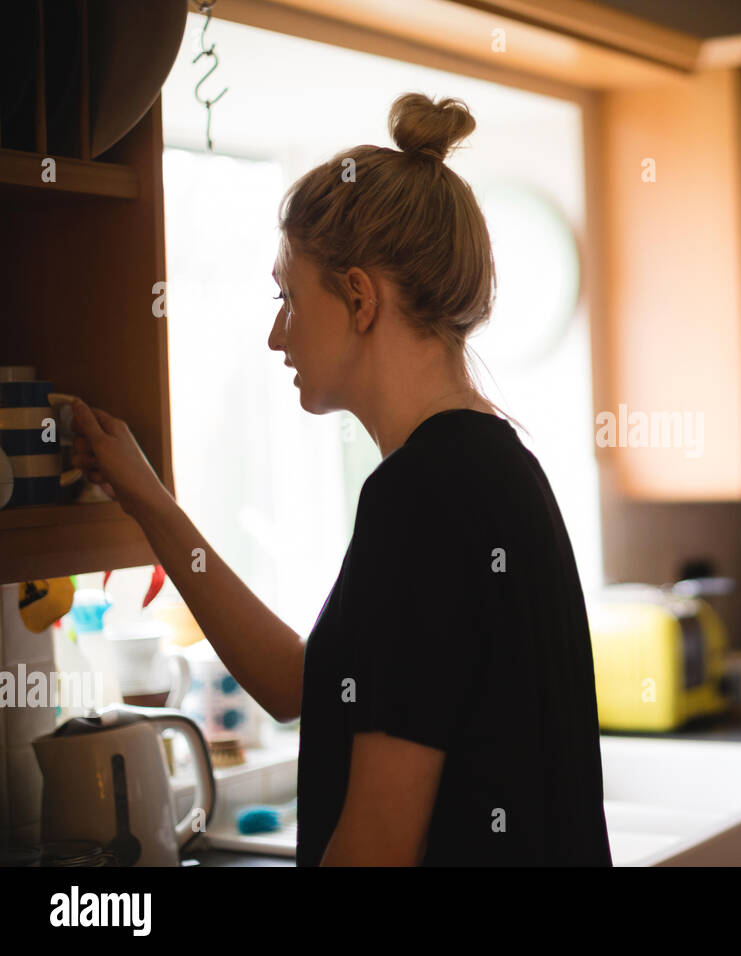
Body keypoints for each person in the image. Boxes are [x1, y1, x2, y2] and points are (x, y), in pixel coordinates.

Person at [70, 92, 613, 866]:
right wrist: (150, 503)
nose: (275, 333)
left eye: (288, 296)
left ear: (359, 298)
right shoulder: (493, 467)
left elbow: (377, 847)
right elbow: (303, 685)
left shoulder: (422, 498)